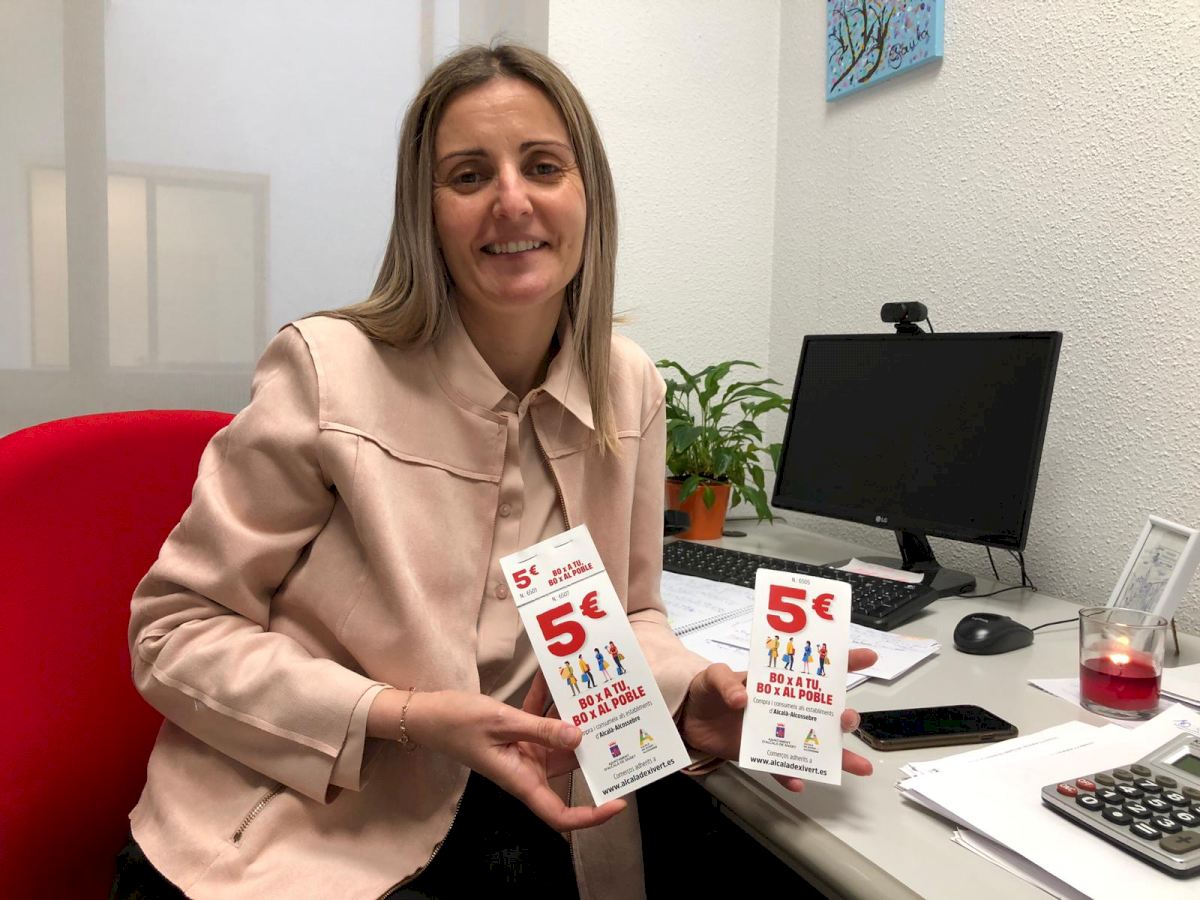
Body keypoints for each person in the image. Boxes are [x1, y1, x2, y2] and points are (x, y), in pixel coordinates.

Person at [114, 43, 877, 900]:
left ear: (588, 195)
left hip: (535, 795)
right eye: (469, 175)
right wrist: (404, 716)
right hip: (310, 824)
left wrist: (689, 697)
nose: (512, 201)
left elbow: (630, 616)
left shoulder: (628, 385)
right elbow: (172, 632)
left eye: (543, 166)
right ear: (425, 212)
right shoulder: (327, 368)